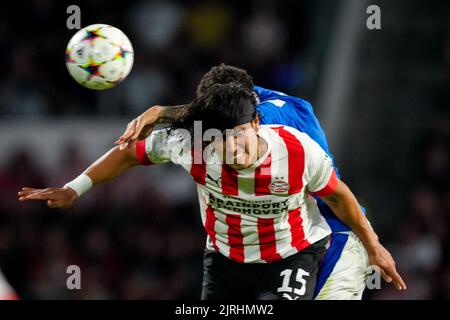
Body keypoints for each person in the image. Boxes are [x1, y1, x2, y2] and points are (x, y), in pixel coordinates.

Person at [19, 84, 404, 299]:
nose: (228, 146)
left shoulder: (293, 139)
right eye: (215, 135)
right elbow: (138, 151)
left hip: (328, 236)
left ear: (256, 124)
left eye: (235, 134)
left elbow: (340, 197)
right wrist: (75, 187)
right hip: (232, 255)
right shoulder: (204, 137)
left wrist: (373, 246)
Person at [114, 64, 407, 299]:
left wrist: (164, 112)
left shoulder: (274, 113)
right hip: (291, 240)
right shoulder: (249, 112)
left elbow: (221, 122)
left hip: (337, 234)